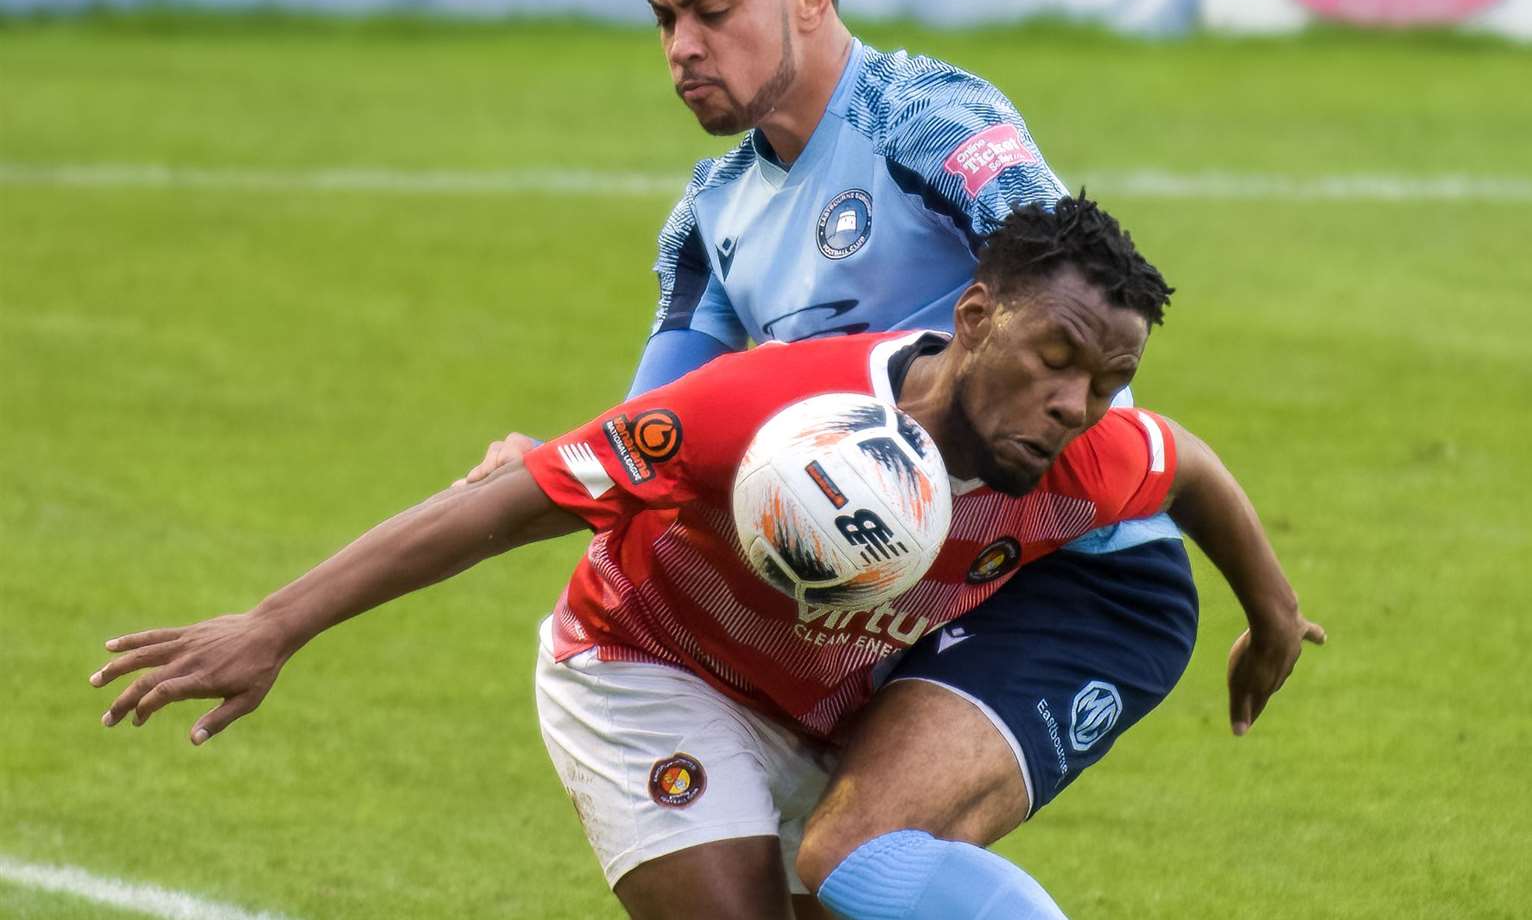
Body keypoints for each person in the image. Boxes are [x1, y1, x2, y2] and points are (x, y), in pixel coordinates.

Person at [456, 0, 1324, 915]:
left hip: (1077, 571)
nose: (681, 47)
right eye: (663, 19)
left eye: (711, 9)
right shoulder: (710, 218)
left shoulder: (927, 122)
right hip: (906, 571)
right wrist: (545, 462)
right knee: (846, 889)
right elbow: (653, 430)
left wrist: (1268, 605)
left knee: (856, 857)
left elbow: (1073, 297)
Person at [93, 201, 1316, 919]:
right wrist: (273, 626)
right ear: (976, 315)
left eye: (1103, 380)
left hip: (831, 703)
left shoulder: (1081, 455)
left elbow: (1191, 465)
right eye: (1054, 355)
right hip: (644, 672)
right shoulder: (759, 412)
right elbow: (508, 506)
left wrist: (1268, 617)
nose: (1074, 400)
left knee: (862, 882)